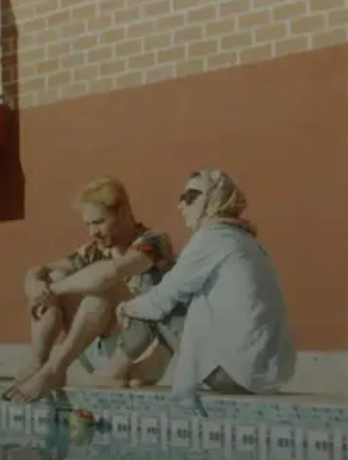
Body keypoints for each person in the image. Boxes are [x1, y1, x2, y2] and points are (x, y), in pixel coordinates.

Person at [114, 170, 296, 397]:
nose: (181, 205)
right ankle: (145, 367)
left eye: (190, 197)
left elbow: (159, 302)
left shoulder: (210, 238)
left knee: (149, 287)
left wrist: (125, 307)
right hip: (267, 378)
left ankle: (116, 370)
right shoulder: (247, 241)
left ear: (213, 199)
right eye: (181, 198)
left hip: (231, 374)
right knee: (175, 294)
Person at [2, 176, 176, 402]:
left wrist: (51, 290)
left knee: (103, 287)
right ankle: (38, 362)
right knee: (55, 276)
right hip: (99, 346)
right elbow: (42, 270)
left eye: (99, 222)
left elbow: (109, 273)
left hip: (139, 350)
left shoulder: (154, 242)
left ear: (123, 212)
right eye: (88, 224)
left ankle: (56, 369)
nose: (92, 232)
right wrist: (34, 282)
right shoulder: (96, 249)